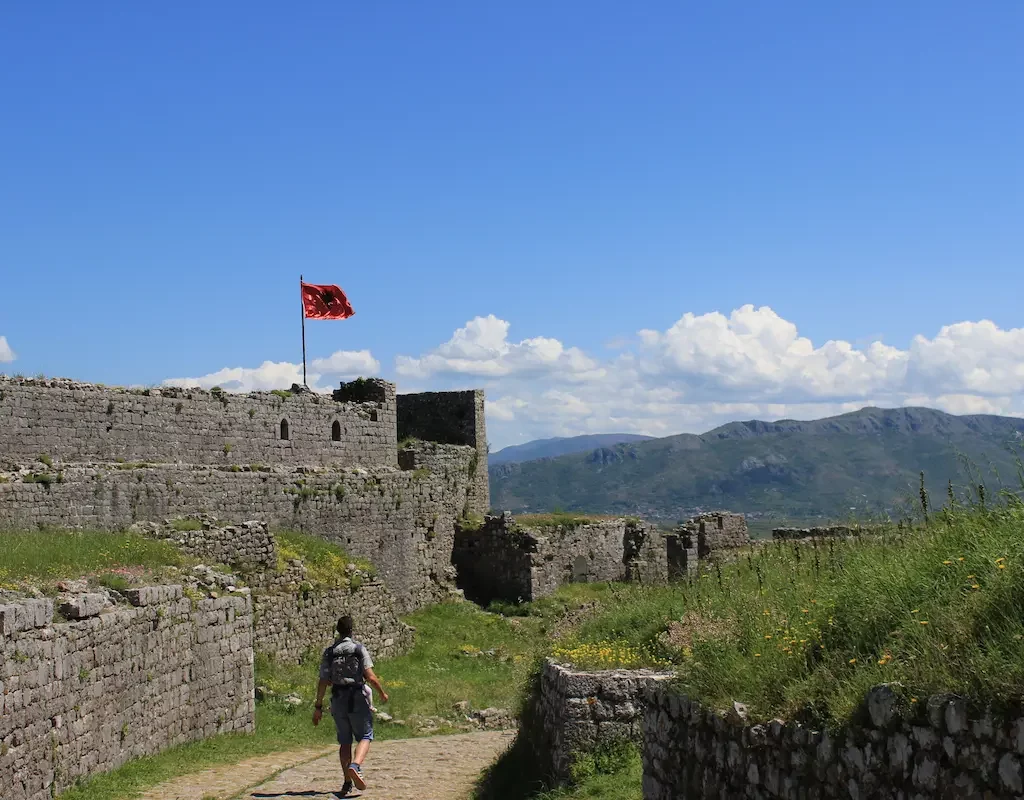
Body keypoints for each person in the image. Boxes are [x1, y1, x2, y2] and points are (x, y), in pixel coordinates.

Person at [313, 615, 389, 796]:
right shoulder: (358, 649)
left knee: (344, 741)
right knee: (365, 734)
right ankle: (355, 766)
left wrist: (318, 707)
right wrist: (381, 693)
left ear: (337, 631)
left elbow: (323, 680)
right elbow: (370, 676)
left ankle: (347, 782)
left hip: (338, 699)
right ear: (351, 630)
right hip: (356, 696)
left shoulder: (329, 652)